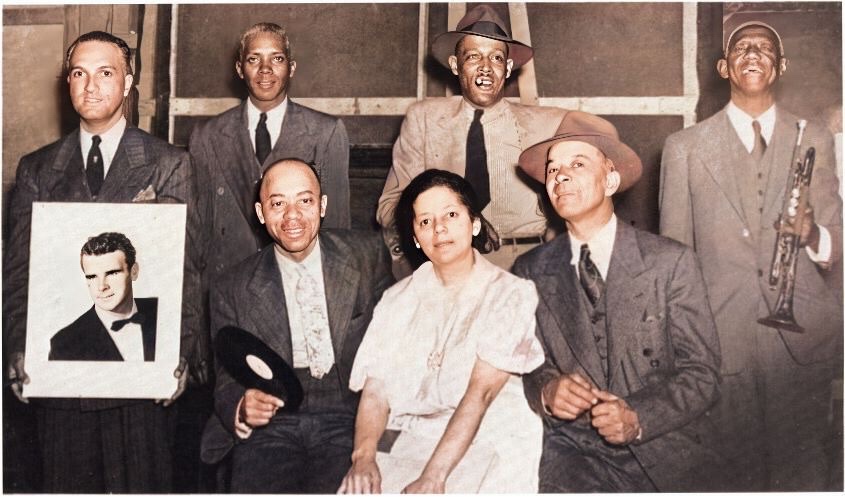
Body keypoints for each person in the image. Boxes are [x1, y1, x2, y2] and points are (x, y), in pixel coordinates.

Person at [3, 31, 198, 492]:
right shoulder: (36, 168)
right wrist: (17, 347)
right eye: (78, 73)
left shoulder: (168, 163)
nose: (90, 86)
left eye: (105, 73)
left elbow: (186, 271)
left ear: (128, 84)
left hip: (140, 377)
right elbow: (18, 274)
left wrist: (180, 353)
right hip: (62, 377)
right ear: (66, 84)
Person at [659, 21, 843, 491]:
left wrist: (811, 232)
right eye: (742, 48)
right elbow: (675, 262)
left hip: (801, 343)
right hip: (722, 340)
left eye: (765, 49)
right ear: (724, 67)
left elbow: (837, 242)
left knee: (803, 475)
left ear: (780, 67)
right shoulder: (684, 148)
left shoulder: (816, 138)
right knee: (728, 475)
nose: (753, 54)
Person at [513, 111, 725, 492]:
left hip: (664, 448)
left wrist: (639, 416)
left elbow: (702, 375)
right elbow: (526, 365)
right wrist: (546, 392)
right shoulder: (530, 270)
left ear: (610, 179)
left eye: (577, 164)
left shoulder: (670, 262)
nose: (559, 177)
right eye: (552, 169)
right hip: (573, 457)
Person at [339, 169, 545, 494]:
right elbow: (376, 391)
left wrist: (433, 477)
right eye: (425, 221)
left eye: (451, 214)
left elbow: (481, 394)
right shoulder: (396, 300)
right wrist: (363, 458)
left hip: (491, 437)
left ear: (474, 223)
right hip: (415, 434)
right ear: (416, 238)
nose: (439, 229)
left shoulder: (510, 294)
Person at [201, 158, 392, 493]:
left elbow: (392, 347)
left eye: (304, 201)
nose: (292, 216)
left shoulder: (367, 256)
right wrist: (242, 404)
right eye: (278, 204)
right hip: (275, 419)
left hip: (351, 413)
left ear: (322, 206)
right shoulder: (231, 285)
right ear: (261, 214)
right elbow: (226, 372)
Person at [377, 4, 567, 275]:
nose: (486, 68)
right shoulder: (424, 119)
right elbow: (389, 206)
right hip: (447, 265)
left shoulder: (543, 125)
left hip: (526, 264)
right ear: (455, 65)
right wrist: (449, 222)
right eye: (474, 57)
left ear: (509, 67)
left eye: (497, 58)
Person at [190, 22, 350, 302]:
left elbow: (337, 229)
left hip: (298, 289)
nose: (266, 70)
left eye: (276, 59)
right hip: (226, 290)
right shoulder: (206, 136)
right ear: (240, 69)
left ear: (292, 67)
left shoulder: (326, 132)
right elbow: (197, 231)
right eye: (254, 59)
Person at [49, 232, 157, 362]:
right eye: (92, 276)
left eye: (112, 273)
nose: (101, 286)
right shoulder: (64, 344)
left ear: (134, 272)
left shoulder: (163, 310)